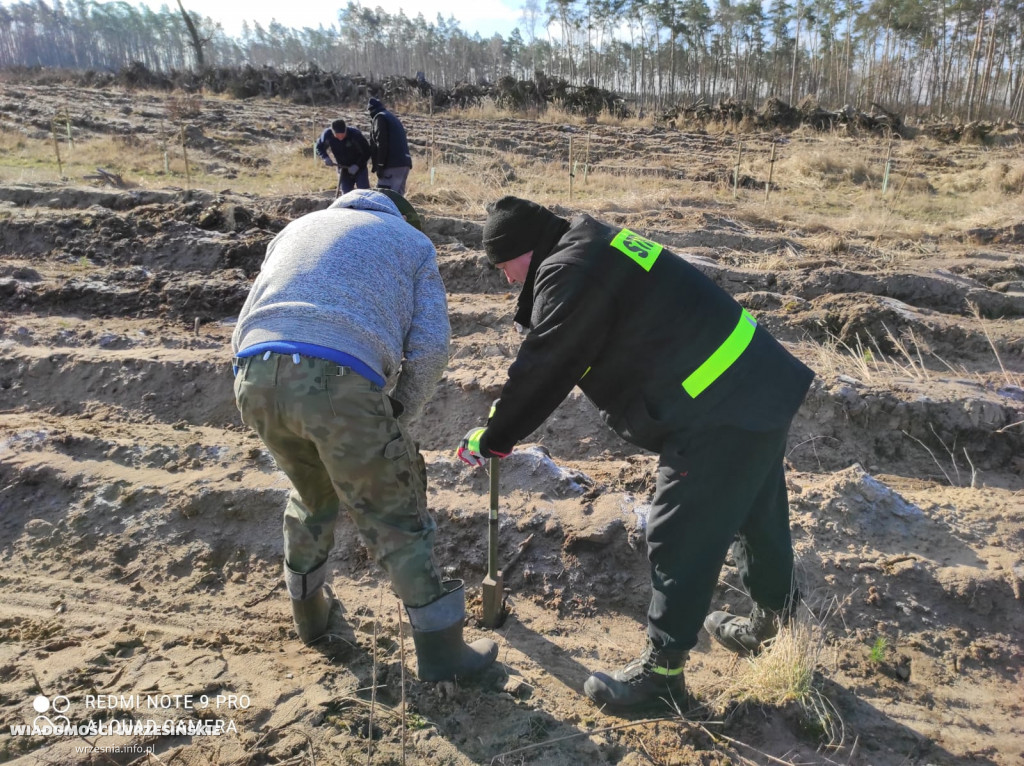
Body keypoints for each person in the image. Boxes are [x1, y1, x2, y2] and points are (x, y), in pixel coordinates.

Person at [455, 196, 814, 710]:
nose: (506, 280)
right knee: (757, 511)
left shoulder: (570, 270)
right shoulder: (591, 241)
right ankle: (772, 630)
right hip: (756, 381)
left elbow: (548, 362)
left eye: (503, 267)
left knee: (678, 530)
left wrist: (495, 435)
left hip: (717, 407)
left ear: (525, 252)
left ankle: (661, 678)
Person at [232, 188, 496, 682]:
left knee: (312, 494)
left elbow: (249, 316)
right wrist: (398, 413)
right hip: (338, 380)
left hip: (254, 374)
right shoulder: (412, 243)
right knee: (394, 513)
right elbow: (432, 347)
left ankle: (310, 618)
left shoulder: (299, 226)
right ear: (406, 219)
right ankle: (446, 661)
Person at [367, 97, 413, 195]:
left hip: (392, 165)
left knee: (383, 197)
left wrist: (380, 165)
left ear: (371, 110)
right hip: (404, 163)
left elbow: (381, 142)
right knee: (398, 199)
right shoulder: (391, 117)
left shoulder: (380, 118)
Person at [314, 118, 371, 195]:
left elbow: (367, 152)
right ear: (333, 132)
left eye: (342, 134)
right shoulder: (327, 135)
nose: (340, 137)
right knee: (346, 194)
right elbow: (319, 147)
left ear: (346, 130)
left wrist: (357, 165)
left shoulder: (355, 135)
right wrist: (325, 157)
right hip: (343, 169)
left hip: (360, 169)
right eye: (337, 135)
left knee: (364, 193)